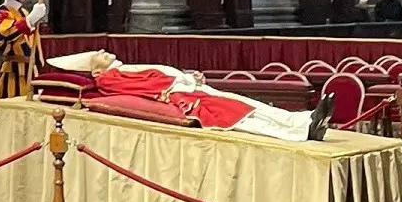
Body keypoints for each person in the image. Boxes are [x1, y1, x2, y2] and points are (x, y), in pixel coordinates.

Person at [48, 51, 335, 143]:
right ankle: (300, 131)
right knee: (241, 115)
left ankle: (304, 120)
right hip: (182, 98)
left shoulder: (120, 68)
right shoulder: (109, 77)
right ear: (96, 68)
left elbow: (159, 74)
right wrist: (181, 86)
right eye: (100, 54)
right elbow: (146, 88)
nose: (106, 52)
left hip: (187, 88)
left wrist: (187, 77)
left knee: (249, 105)